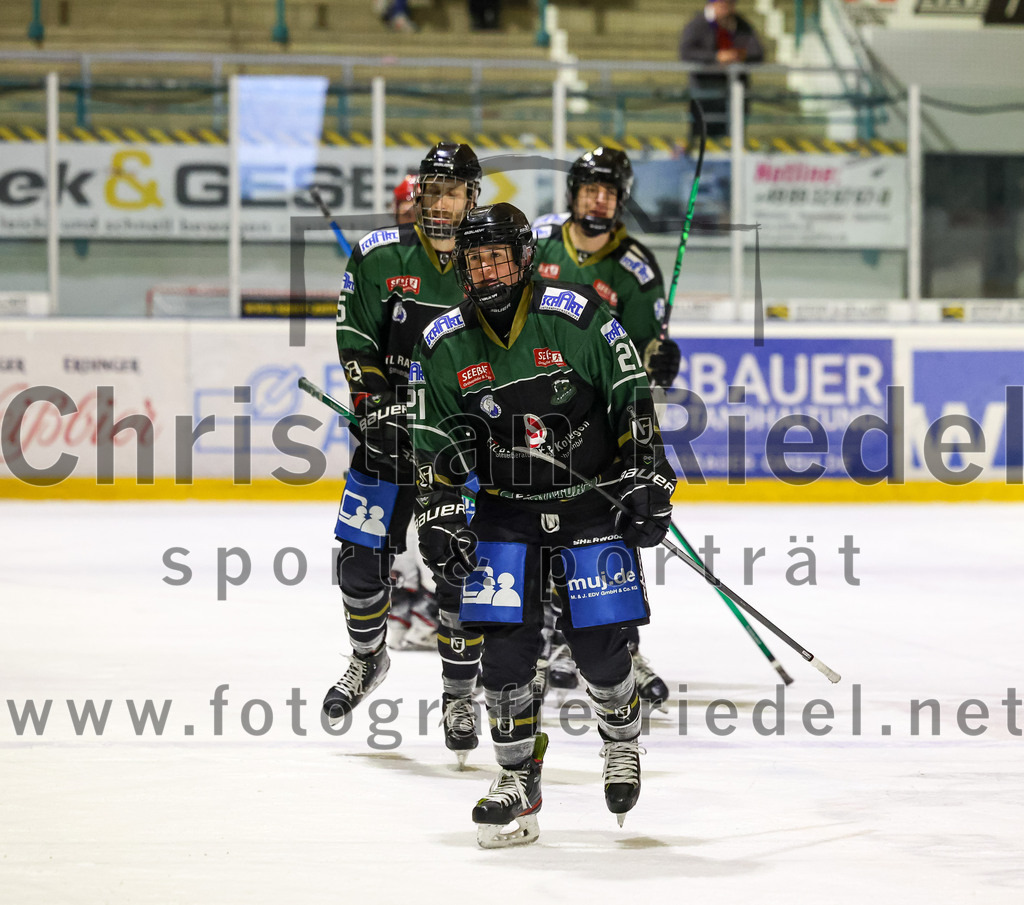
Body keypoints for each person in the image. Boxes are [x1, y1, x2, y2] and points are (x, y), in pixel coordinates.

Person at [409, 203, 676, 847]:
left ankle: (620, 738)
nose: (489, 268)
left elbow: (631, 399)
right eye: (476, 258)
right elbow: (432, 440)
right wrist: (441, 510)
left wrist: (648, 477)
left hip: (589, 503)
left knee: (602, 649)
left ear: (525, 256)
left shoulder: (580, 318)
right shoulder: (443, 342)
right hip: (505, 506)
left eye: (500, 255)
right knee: (503, 651)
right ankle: (516, 781)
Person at [325, 142, 486, 767]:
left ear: (472, 198)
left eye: (452, 191)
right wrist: (372, 402)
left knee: (458, 570)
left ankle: (458, 694)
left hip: (456, 449)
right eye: (431, 190)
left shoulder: (490, 264)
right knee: (359, 565)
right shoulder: (376, 256)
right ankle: (368, 660)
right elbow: (355, 336)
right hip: (386, 440)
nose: (439, 202)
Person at [532, 146, 680, 710]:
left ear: (620, 200)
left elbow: (644, 358)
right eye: (590, 189)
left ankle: (622, 644)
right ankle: (549, 637)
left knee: (614, 525)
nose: (599, 199)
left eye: (609, 192)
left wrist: (663, 362)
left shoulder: (636, 268)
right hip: (535, 408)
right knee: (537, 521)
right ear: (573, 192)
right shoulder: (540, 240)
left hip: (600, 421)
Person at [678, 0, 765, 138]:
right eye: (722, 5)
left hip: (735, 90)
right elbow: (686, 53)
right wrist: (716, 57)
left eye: (730, 4)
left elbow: (757, 53)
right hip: (705, 92)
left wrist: (738, 55)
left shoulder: (741, 25)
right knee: (704, 135)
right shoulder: (697, 24)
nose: (726, 9)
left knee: (734, 135)